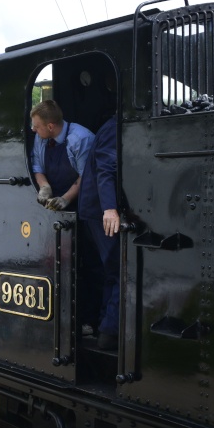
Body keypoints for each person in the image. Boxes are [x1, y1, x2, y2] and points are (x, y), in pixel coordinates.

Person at [79, 115, 120, 351]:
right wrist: (110, 209)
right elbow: (106, 168)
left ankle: (103, 324)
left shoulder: (109, 125)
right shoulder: (115, 127)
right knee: (117, 271)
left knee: (108, 271)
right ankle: (109, 332)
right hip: (99, 211)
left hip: (93, 210)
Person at [29, 100, 94, 211]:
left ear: (50, 127)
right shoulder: (40, 137)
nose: (33, 130)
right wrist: (44, 187)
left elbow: (86, 175)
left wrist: (65, 199)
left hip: (83, 202)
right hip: (53, 202)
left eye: (36, 126)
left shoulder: (81, 139)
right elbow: (37, 166)